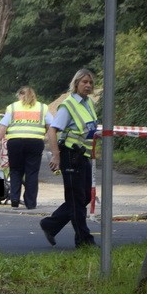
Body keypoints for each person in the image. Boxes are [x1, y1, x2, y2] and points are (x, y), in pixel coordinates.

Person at [39, 69, 99, 248]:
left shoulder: (88, 103)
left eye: (90, 83)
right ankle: (84, 240)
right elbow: (52, 130)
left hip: (83, 157)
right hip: (70, 156)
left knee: (85, 197)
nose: (88, 85)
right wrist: (56, 156)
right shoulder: (69, 104)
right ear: (76, 84)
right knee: (76, 200)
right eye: (84, 82)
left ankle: (50, 224)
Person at [0, 86, 51, 209]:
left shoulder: (13, 107)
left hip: (15, 142)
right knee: (32, 172)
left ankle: (14, 199)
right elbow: (50, 125)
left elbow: (3, 125)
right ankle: (31, 203)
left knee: (15, 170)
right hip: (35, 142)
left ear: (20, 95)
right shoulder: (42, 107)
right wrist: (47, 136)